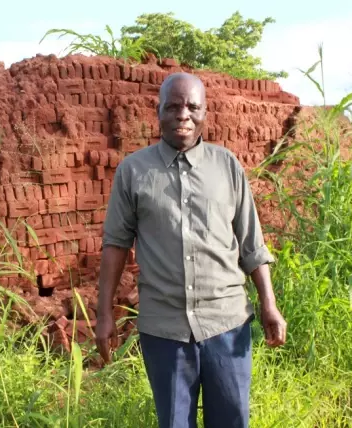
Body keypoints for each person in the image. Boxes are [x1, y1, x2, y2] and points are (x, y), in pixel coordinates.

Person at [95, 72, 287, 428]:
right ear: (159, 112)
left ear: (204, 113)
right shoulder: (134, 172)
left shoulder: (227, 166)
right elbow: (115, 245)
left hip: (227, 324)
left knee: (231, 420)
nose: (183, 114)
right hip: (164, 330)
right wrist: (104, 313)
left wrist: (269, 304)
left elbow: (251, 243)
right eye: (174, 106)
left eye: (192, 107)